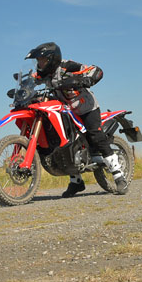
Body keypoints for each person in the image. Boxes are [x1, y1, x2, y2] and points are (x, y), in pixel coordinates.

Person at [25, 42, 127, 196]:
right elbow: (32, 80)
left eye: (42, 60)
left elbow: (95, 70)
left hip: (86, 108)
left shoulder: (67, 66)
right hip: (67, 110)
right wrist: (23, 85)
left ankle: (119, 176)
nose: (39, 64)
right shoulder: (43, 74)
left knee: (95, 135)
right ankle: (77, 182)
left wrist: (87, 79)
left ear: (52, 59)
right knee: (65, 143)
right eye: (38, 61)